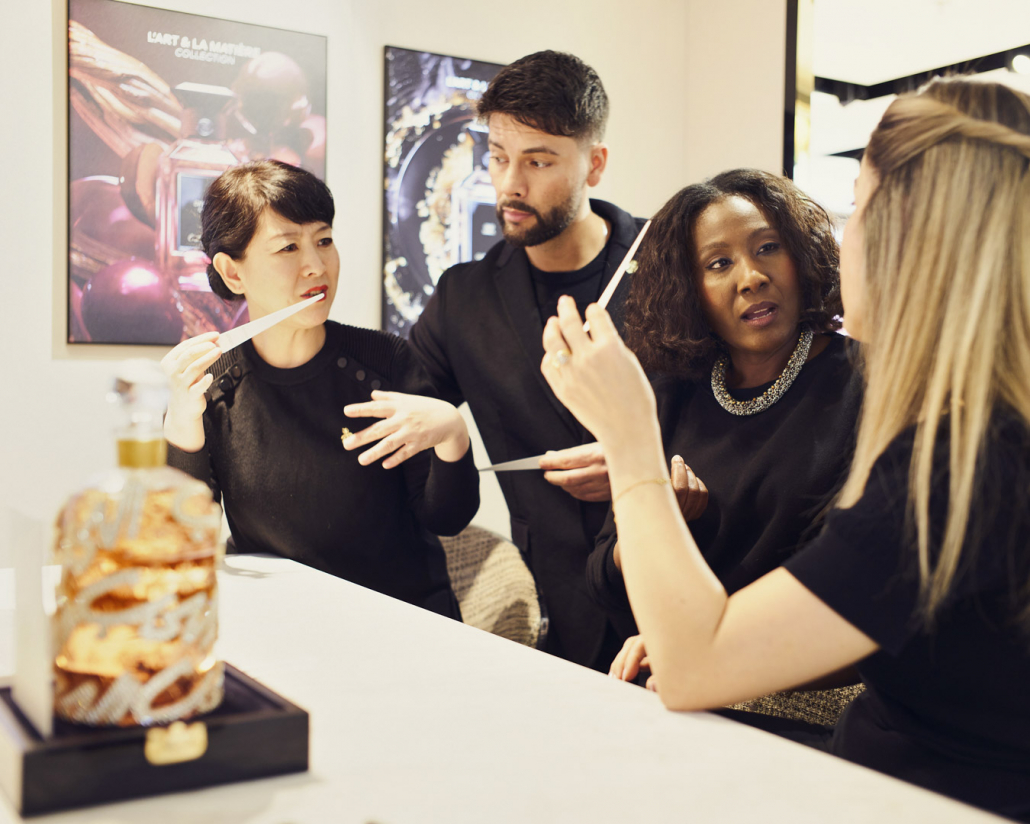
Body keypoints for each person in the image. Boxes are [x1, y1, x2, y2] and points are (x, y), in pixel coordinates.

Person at [538, 77, 1030, 821]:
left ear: (911, 240)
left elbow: (698, 663)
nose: (845, 232)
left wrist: (630, 444)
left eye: (859, 206)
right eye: (718, 264)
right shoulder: (974, 432)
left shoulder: (961, 467)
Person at [403, 50, 646, 669]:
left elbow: (746, 417)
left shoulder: (669, 268)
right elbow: (393, 404)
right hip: (558, 614)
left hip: (681, 587)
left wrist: (644, 460)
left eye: (537, 162)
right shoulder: (464, 298)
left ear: (595, 164)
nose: (510, 183)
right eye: (497, 156)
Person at [163, 160, 478, 620]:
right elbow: (183, 542)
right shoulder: (209, 386)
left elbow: (447, 518)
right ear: (233, 273)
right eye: (288, 247)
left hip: (402, 622)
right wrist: (180, 422)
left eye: (324, 240)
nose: (316, 265)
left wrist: (453, 431)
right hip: (278, 623)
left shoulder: (385, 362)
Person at [587, 170, 862, 644]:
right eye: (719, 263)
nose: (752, 278)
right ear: (688, 289)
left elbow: (859, 582)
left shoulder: (868, 382)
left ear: (801, 254)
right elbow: (601, 579)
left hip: (797, 669)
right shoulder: (669, 392)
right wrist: (655, 522)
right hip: (672, 661)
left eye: (768, 248)